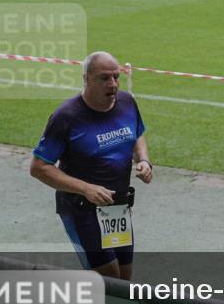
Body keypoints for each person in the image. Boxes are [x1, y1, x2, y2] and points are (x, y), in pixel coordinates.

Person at [30, 51, 152, 279]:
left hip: (116, 208)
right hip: (81, 210)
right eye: (104, 78)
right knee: (108, 279)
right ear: (86, 79)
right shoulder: (66, 116)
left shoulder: (127, 102)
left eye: (116, 77)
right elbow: (39, 167)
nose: (113, 84)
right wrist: (86, 188)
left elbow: (137, 134)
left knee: (124, 278)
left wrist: (143, 160)